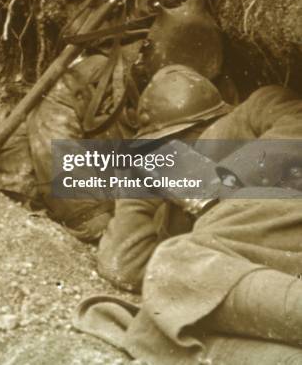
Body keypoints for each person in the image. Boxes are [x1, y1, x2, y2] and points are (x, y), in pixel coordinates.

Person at [75, 64, 302, 364]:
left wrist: (218, 182)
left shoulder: (258, 107)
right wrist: (137, 185)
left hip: (288, 220)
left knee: (175, 268)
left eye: (185, 138)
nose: (176, 152)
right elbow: (125, 264)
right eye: (162, 147)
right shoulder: (168, 202)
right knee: (157, 318)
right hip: (263, 274)